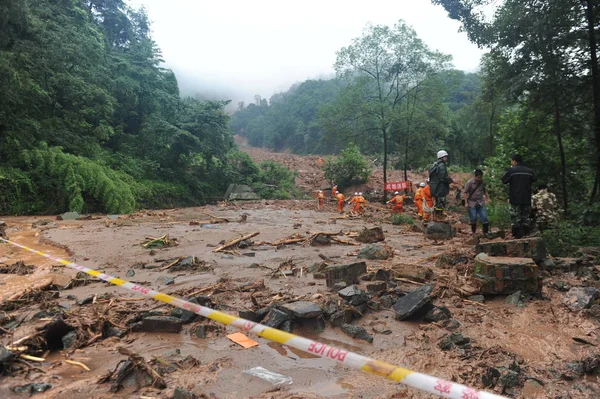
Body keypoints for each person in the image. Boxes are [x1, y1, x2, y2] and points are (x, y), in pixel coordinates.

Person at [501, 154, 536, 238]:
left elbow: (504, 180)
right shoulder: (529, 171)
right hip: (527, 198)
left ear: (514, 161)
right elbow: (534, 179)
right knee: (526, 218)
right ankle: (526, 234)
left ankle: (516, 236)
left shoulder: (512, 171)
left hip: (515, 198)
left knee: (515, 217)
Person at [463, 169, 491, 236]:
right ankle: (474, 232)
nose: (479, 179)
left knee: (484, 217)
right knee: (473, 218)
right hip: (472, 202)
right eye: (478, 177)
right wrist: (466, 202)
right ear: (475, 176)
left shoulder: (482, 182)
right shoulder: (469, 183)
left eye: (481, 177)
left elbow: (485, 191)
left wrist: (488, 198)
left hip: (480, 202)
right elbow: (465, 192)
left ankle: (486, 232)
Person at [429, 150, 454, 218]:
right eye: (445, 156)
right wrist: (451, 180)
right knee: (441, 202)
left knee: (437, 202)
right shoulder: (442, 165)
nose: (446, 158)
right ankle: (439, 217)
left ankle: (436, 216)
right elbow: (443, 177)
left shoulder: (434, 165)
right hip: (441, 187)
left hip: (435, 187)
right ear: (441, 157)